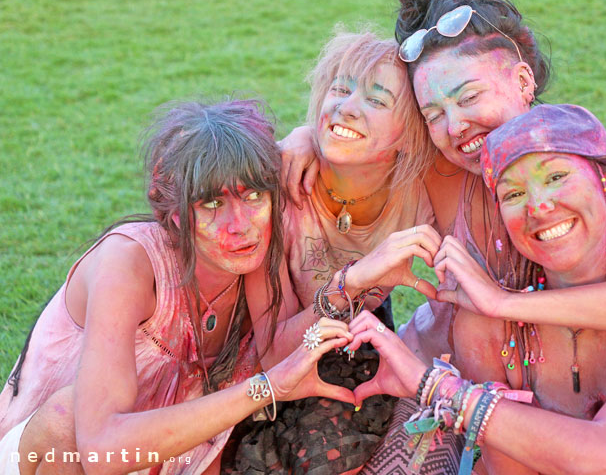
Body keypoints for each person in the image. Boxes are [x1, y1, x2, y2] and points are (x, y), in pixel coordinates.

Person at [280, 0, 606, 366]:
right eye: (433, 114)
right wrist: (305, 139)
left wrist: (508, 305)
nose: (455, 125)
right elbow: (363, 130)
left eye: (469, 98)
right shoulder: (439, 166)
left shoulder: (595, 177)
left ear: (522, 81)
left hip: (561, 383)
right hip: (438, 369)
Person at [346, 104, 606, 475]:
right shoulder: (494, 329)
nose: (538, 206)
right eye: (512, 195)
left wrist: (435, 385)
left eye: (557, 176)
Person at [0, 99, 356, 475]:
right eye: (212, 203)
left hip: (169, 464)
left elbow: (280, 351)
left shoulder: (253, 262)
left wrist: (359, 279)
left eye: (253, 196)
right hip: (54, 460)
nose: (240, 225)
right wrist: (264, 388)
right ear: (172, 211)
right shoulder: (128, 264)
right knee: (65, 417)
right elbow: (100, 450)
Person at [226, 30, 459, 475]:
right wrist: (354, 279)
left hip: (354, 340)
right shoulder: (278, 187)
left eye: (376, 99)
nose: (346, 106)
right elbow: (275, 354)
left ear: (411, 132)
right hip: (259, 349)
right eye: (339, 87)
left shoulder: (424, 192)